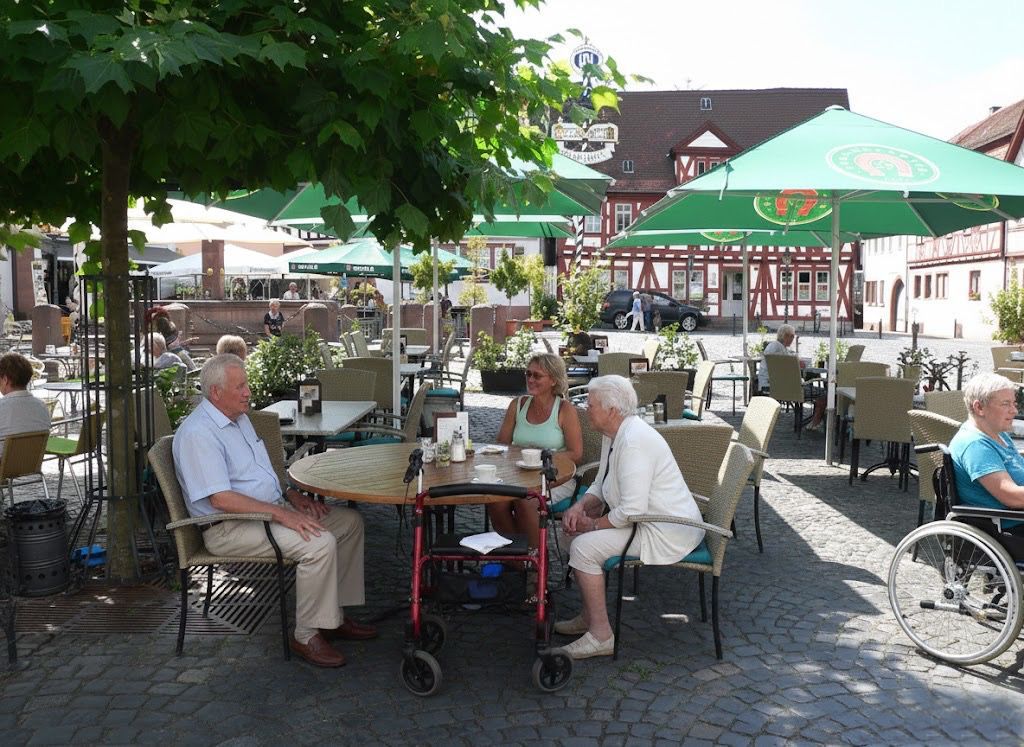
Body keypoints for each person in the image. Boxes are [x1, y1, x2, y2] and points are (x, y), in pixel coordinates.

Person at [173, 354, 376, 668]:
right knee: (318, 543)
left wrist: (292, 497)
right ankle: (306, 635)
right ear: (216, 392)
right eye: (240, 387)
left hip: (266, 511)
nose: (248, 392)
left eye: (247, 384)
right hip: (227, 527)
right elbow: (221, 499)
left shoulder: (238, 418)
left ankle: (332, 618)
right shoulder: (198, 433)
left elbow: (260, 475)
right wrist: (281, 513)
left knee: (348, 523)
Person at [554, 375, 704, 659]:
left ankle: (601, 636)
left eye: (591, 404)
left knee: (582, 546)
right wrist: (579, 507)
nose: (586, 409)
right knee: (570, 534)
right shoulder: (614, 433)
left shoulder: (634, 441)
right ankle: (589, 617)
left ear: (611, 410)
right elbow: (601, 482)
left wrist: (593, 524)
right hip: (647, 521)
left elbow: (632, 510)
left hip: (666, 530)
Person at [490, 353, 583, 549]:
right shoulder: (518, 405)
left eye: (537, 376)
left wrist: (541, 457)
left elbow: (576, 453)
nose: (530, 380)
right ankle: (517, 557)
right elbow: (502, 445)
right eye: (528, 374)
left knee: (527, 500)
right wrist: (521, 457)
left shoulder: (564, 409)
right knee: (496, 501)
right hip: (519, 475)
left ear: (553, 380)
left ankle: (537, 556)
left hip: (555, 477)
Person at [950, 372, 1024, 556]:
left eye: (1014, 403)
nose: (1014, 411)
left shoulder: (998, 434)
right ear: (979, 407)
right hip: (1009, 529)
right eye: (1005, 404)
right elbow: (1011, 496)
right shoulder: (975, 445)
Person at [756, 324, 826, 429]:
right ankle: (815, 422)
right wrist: (797, 363)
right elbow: (790, 367)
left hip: (768, 385)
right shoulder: (779, 349)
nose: (793, 339)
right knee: (825, 393)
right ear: (785, 336)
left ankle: (812, 421)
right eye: (792, 336)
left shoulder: (774, 346)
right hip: (786, 389)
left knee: (816, 390)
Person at [0, 352, 51, 461]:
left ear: (5, 379)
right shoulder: (42, 407)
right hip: (31, 465)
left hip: (4, 466)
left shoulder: (2, 407)